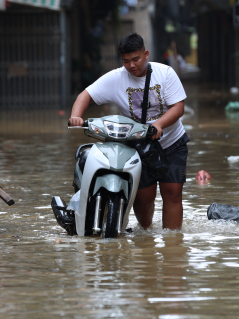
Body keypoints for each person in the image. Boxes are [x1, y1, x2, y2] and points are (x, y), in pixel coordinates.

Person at [69, 33, 189, 230]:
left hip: (171, 142)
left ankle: (172, 243)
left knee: (173, 193)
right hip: (137, 145)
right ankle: (147, 234)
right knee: (143, 199)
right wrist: (76, 116)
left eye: (136, 59)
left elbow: (178, 107)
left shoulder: (165, 73)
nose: (131, 65)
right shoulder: (116, 78)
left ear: (146, 54)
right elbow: (85, 95)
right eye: (126, 61)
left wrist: (158, 124)